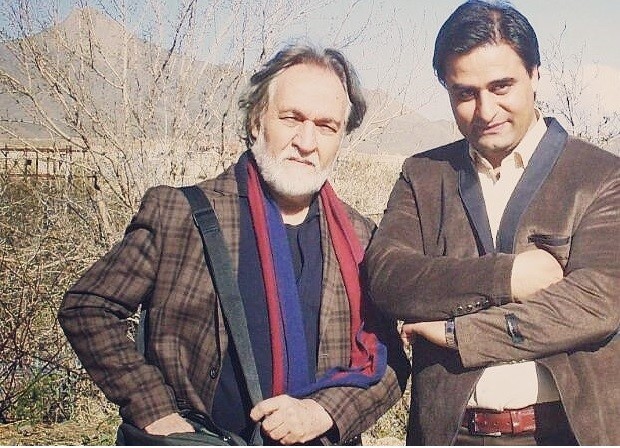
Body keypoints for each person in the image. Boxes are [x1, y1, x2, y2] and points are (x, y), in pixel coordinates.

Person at [59, 44, 408, 445]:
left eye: (326, 126)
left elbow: (389, 361)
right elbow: (88, 307)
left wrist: (325, 412)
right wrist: (153, 409)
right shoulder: (182, 215)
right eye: (291, 118)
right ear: (257, 120)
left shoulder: (360, 238)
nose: (307, 141)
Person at [364, 0, 619, 445]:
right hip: (452, 435)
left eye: (501, 86)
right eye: (465, 93)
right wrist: (508, 277)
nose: (485, 110)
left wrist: (457, 334)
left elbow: (596, 305)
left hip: (566, 433)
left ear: (535, 74)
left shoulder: (600, 175)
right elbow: (388, 278)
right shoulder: (424, 175)